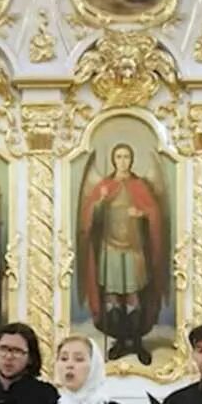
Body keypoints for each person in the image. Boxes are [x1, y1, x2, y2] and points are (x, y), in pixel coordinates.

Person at [79, 143, 167, 364]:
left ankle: (136, 340)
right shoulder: (104, 186)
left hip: (134, 247)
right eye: (118, 156)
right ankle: (119, 339)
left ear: (131, 159)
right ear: (113, 160)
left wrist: (143, 213)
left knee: (133, 295)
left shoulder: (139, 186)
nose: (122, 160)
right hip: (109, 246)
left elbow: (154, 213)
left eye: (126, 156)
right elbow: (88, 218)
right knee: (112, 295)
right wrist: (100, 202)